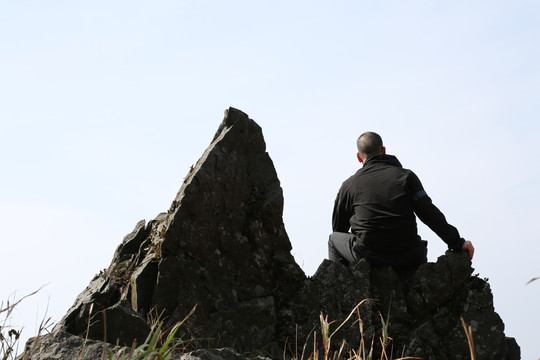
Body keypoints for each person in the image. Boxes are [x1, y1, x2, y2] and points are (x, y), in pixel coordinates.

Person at [329, 132, 474, 270]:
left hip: (369, 256)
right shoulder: (406, 176)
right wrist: (457, 242)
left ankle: (345, 290)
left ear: (359, 157)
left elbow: (338, 228)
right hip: (410, 257)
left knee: (333, 239)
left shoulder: (349, 185)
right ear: (383, 150)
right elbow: (429, 213)